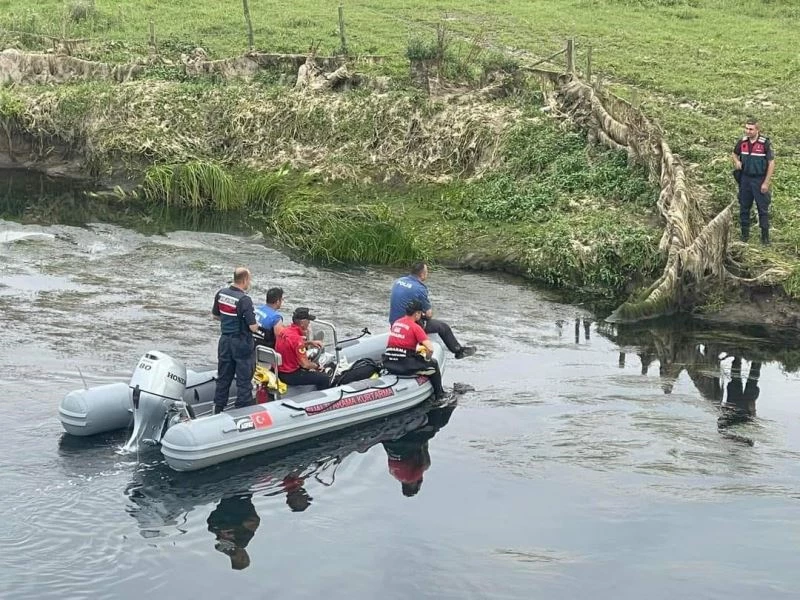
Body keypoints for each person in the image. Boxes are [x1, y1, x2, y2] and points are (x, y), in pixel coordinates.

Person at [389, 261, 476, 359]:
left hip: (394, 322)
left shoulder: (398, 281)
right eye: (427, 272)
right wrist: (423, 314)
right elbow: (429, 314)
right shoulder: (420, 288)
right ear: (422, 274)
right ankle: (458, 351)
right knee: (443, 327)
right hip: (408, 324)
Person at [212, 267, 260, 414]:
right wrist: (256, 326)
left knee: (224, 376)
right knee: (244, 378)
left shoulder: (221, 293)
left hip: (225, 340)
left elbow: (215, 316)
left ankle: (218, 407)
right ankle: (242, 410)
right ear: (245, 280)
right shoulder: (244, 299)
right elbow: (253, 327)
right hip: (241, 342)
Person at [383, 300, 446, 401]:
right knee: (433, 364)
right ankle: (440, 396)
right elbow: (430, 348)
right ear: (417, 313)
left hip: (389, 363)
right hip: (404, 365)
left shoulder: (396, 323)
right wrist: (427, 359)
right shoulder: (415, 327)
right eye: (421, 313)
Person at [732, 118, 775, 245]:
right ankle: (744, 236)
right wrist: (737, 161)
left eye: (751, 129)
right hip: (745, 179)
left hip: (759, 179)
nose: (748, 131)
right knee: (744, 207)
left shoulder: (764, 143)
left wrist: (766, 183)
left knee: (762, 209)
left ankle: (765, 238)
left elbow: (771, 163)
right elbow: (734, 154)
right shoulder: (742, 142)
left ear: (757, 130)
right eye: (746, 128)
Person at [275, 307, 331, 390]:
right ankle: (321, 398)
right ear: (302, 323)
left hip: (279, 370)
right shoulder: (297, 339)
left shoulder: (285, 331)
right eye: (308, 321)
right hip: (290, 375)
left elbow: (292, 345)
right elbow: (305, 364)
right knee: (324, 378)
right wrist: (317, 366)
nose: (309, 323)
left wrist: (309, 342)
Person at [206, 493, 261, 570]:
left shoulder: (234, 544)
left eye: (242, 559)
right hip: (237, 502)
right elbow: (253, 521)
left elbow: (212, 526)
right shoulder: (242, 540)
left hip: (230, 502)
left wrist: (221, 532)